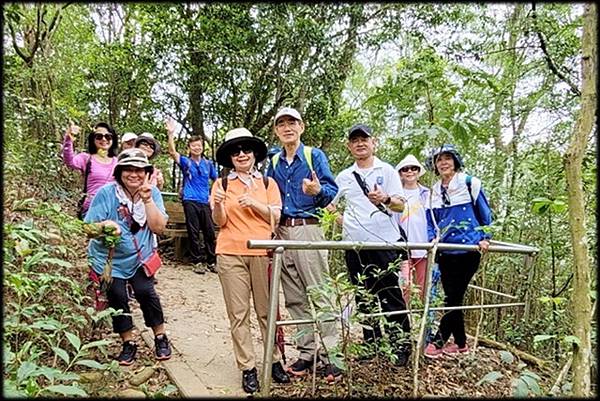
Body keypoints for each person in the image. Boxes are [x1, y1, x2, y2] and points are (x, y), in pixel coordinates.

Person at [210, 128, 290, 394]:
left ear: (255, 154)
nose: (241, 154)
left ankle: (275, 359)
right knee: (238, 313)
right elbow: (219, 222)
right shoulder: (220, 184)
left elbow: (276, 217)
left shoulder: (268, 184)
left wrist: (254, 204)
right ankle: (248, 367)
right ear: (230, 158)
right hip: (230, 252)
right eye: (235, 151)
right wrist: (220, 205)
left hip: (263, 252)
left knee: (267, 311)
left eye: (246, 149)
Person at [265, 107, 341, 383]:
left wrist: (317, 191)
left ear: (302, 127)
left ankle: (333, 356)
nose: (287, 128)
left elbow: (332, 191)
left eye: (292, 123)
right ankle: (307, 352)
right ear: (276, 130)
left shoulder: (313, 156)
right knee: (294, 295)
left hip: (308, 229)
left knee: (319, 292)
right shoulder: (273, 161)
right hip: (282, 231)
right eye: (281, 123)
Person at [328, 123, 411, 366]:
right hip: (354, 245)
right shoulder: (343, 176)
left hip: (384, 242)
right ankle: (371, 344)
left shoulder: (386, 171)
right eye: (355, 140)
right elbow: (329, 203)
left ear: (374, 142)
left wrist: (384, 198)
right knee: (363, 296)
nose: (360, 143)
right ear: (349, 146)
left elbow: (400, 205)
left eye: (364, 139)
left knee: (389, 295)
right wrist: (344, 221)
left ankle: (400, 346)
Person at [84, 148, 172, 365]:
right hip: (110, 259)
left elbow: (159, 227)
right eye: (128, 169)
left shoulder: (153, 193)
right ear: (119, 172)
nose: (134, 174)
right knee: (117, 296)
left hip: (140, 256)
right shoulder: (107, 193)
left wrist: (148, 200)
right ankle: (128, 341)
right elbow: (88, 227)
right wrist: (105, 226)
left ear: (147, 172)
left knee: (146, 292)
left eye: (139, 170)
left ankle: (160, 336)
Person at [422, 144, 492, 358]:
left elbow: (485, 214)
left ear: (455, 161)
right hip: (444, 251)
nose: (443, 162)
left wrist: (485, 237)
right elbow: (430, 221)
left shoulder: (470, 183)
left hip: (468, 249)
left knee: (453, 297)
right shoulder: (433, 191)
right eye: (439, 159)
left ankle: (438, 341)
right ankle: (461, 344)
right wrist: (432, 238)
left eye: (447, 158)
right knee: (454, 297)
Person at [165, 118, 218, 274]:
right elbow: (172, 152)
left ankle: (211, 260)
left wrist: (212, 196)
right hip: (190, 200)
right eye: (194, 145)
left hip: (205, 200)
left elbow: (216, 180)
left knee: (209, 231)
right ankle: (197, 261)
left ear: (202, 147)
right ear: (189, 147)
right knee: (193, 231)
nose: (197, 148)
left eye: (199, 145)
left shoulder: (208, 164)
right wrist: (171, 134)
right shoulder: (186, 162)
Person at [62, 121, 119, 219]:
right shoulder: (86, 158)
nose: (104, 139)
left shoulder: (118, 162)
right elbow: (69, 161)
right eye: (99, 136)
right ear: (93, 139)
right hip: (91, 209)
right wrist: (69, 138)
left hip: (113, 210)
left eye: (108, 136)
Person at [394, 154, 430, 304]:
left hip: (423, 245)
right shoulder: (395, 195)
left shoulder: (428, 194)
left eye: (413, 168)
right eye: (405, 169)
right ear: (401, 173)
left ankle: (424, 323)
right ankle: (404, 321)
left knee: (424, 287)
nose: (409, 172)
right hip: (403, 246)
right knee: (405, 285)